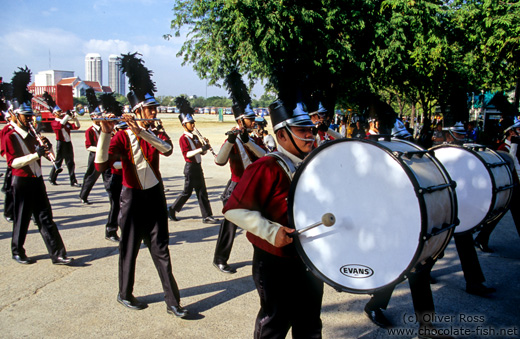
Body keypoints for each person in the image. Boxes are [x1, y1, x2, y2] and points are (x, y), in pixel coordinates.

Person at [95, 52, 188, 317]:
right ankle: (124, 293)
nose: (155, 112)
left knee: (161, 249)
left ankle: (173, 302)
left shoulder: (155, 131)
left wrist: (142, 131)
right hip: (132, 197)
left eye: (154, 108)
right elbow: (101, 165)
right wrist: (104, 132)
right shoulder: (122, 137)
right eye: (150, 109)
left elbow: (168, 149)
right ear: (137, 112)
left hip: (155, 196)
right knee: (130, 248)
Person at [223, 98, 324, 338]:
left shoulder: (316, 164)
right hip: (275, 262)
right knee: (275, 324)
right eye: (302, 130)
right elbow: (232, 209)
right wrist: (271, 232)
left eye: (311, 129)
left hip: (310, 259)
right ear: (282, 136)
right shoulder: (266, 167)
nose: (310, 135)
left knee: (310, 323)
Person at [5, 67, 73, 265]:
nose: (30, 120)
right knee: (22, 218)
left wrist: (46, 147)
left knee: (46, 217)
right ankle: (17, 250)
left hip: (37, 179)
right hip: (22, 180)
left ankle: (57, 253)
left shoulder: (32, 132)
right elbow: (12, 163)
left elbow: (40, 152)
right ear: (16, 116)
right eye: (26, 117)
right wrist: (35, 155)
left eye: (31, 116)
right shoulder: (11, 135)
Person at [213, 71, 267, 274]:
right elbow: (219, 161)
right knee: (229, 225)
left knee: (260, 224)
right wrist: (230, 141)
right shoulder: (232, 138)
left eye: (253, 119)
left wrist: (248, 141)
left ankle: (262, 259)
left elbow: (264, 157)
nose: (253, 122)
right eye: (249, 119)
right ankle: (220, 258)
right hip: (236, 186)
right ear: (240, 120)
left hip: (254, 186)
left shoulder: (256, 139)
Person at [168, 96, 219, 225]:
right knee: (187, 192)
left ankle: (207, 216)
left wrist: (205, 147)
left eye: (193, 123)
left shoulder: (195, 137)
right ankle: (172, 209)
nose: (193, 125)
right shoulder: (183, 138)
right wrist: (200, 148)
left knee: (202, 192)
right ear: (184, 125)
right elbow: (187, 154)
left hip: (198, 166)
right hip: (190, 167)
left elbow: (202, 152)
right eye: (191, 123)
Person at [474, 117, 520, 252]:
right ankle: (481, 238)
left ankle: (481, 238)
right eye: (518, 130)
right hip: (508, 188)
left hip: (515, 188)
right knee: (498, 216)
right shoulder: (502, 148)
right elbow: (508, 165)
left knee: (500, 216)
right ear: (511, 133)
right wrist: (514, 147)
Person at [78, 91, 111, 205]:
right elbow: (88, 146)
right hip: (95, 155)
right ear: (93, 117)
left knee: (108, 176)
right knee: (91, 177)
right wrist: (101, 149)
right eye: (98, 116)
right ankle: (83, 195)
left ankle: (111, 195)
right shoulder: (90, 131)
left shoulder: (103, 128)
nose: (100, 117)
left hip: (105, 154)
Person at [46, 92, 81, 187]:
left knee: (70, 163)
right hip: (60, 143)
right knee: (58, 162)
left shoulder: (65, 121)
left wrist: (75, 119)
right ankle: (52, 177)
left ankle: (73, 181)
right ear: (54, 114)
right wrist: (67, 116)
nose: (61, 113)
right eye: (59, 112)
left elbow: (76, 127)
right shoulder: (54, 123)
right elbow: (60, 126)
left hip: (68, 143)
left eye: (61, 111)